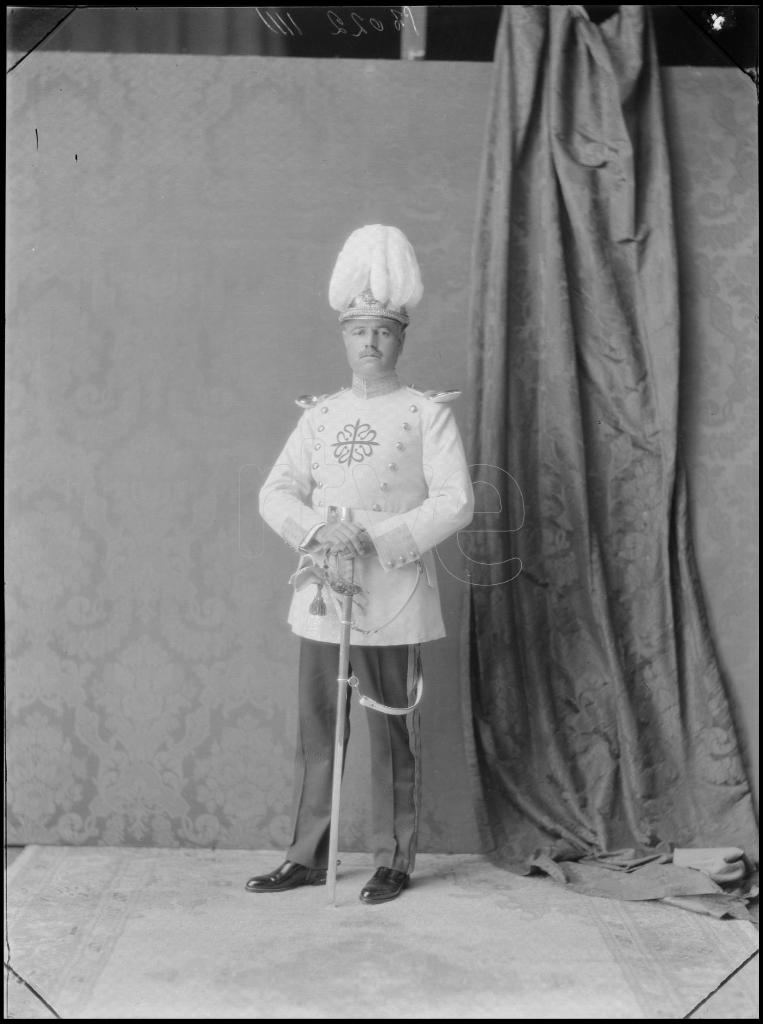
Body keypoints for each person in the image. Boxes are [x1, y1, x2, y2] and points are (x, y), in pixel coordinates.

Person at [248, 224, 474, 904]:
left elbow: (455, 501)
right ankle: (307, 853)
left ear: (399, 337)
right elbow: (274, 492)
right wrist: (321, 530)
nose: (369, 342)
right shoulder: (318, 417)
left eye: (382, 330)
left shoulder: (424, 414)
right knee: (320, 726)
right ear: (342, 337)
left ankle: (394, 858)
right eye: (358, 331)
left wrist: (373, 539)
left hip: (393, 589)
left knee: (391, 731)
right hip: (325, 589)